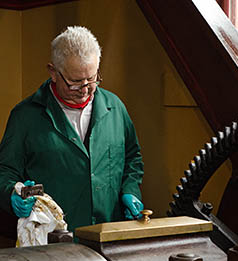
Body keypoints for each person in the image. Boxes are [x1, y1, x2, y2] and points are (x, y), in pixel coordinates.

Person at [0, 26, 144, 237]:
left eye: (92, 78)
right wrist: (11, 194)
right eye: (75, 82)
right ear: (53, 72)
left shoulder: (115, 108)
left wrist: (130, 191)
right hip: (54, 243)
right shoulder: (25, 116)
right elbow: (4, 171)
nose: (85, 89)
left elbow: (132, 158)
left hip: (109, 237)